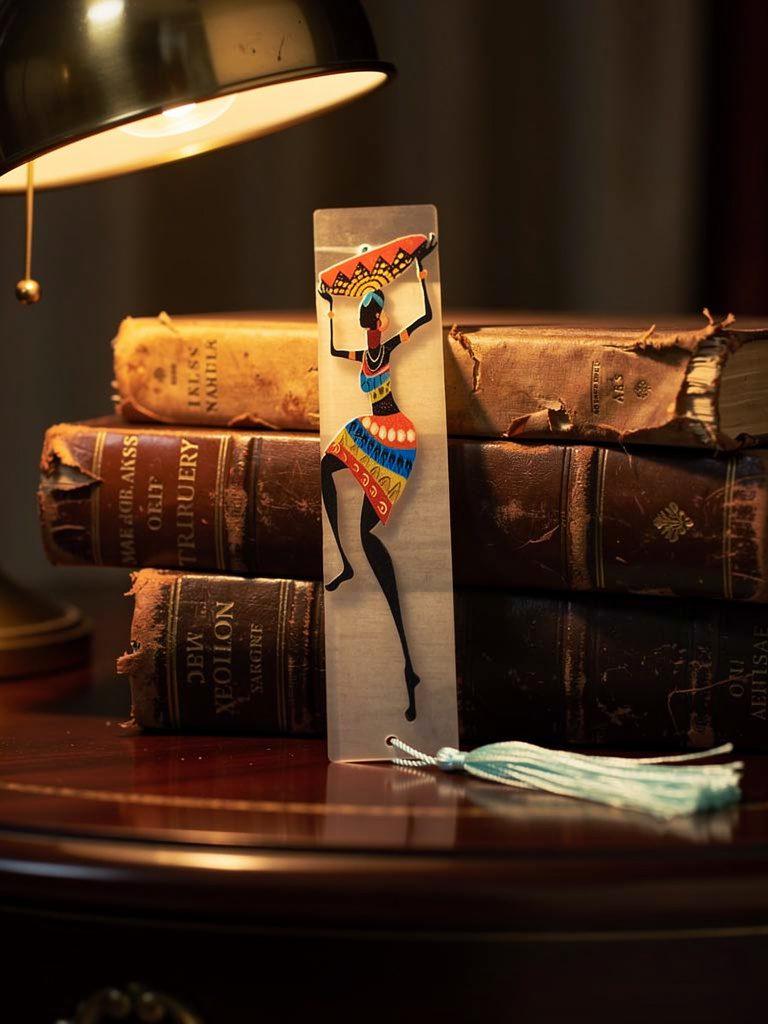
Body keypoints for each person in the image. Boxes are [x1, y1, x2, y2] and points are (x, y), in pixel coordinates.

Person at [319, 235, 436, 722]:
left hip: (393, 434)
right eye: (369, 317)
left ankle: (408, 662)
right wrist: (329, 307)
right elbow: (330, 346)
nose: (372, 322)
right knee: (327, 465)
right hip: (371, 429)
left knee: (369, 532)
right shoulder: (361, 355)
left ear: (381, 321)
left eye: (373, 316)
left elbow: (426, 317)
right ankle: (345, 562)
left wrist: (421, 270)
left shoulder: (387, 347)